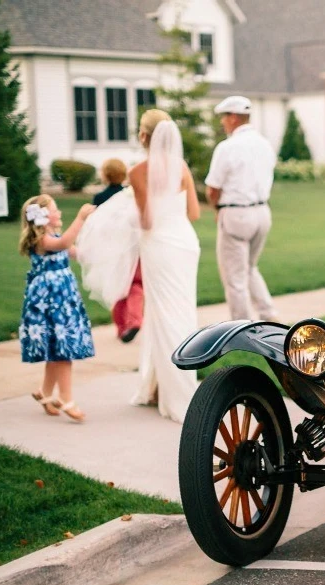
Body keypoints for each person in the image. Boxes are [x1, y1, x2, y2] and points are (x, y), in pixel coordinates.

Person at [127, 109, 202, 423]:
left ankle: (175, 394)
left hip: (159, 244)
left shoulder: (137, 172)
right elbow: (194, 212)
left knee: (161, 312)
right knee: (181, 312)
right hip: (184, 243)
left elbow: (146, 220)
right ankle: (160, 386)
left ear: (144, 136)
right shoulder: (180, 166)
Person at [18, 194, 96, 422]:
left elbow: (76, 251)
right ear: (42, 216)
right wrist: (80, 218)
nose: (59, 212)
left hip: (62, 300)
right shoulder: (42, 241)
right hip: (50, 302)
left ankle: (44, 392)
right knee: (63, 351)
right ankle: (65, 398)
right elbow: (62, 245)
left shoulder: (55, 237)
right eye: (55, 209)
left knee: (56, 350)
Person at [205, 95, 279, 322]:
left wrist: (217, 210)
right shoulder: (265, 144)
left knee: (234, 277)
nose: (223, 122)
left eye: (224, 117)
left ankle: (241, 326)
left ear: (234, 117)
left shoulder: (227, 147)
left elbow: (212, 189)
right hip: (262, 212)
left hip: (236, 213)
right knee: (249, 267)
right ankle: (268, 314)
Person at [93, 158, 143, 343]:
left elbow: (96, 226)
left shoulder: (99, 198)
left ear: (105, 175)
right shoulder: (130, 196)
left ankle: (121, 327)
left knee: (118, 287)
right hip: (133, 247)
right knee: (136, 284)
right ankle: (135, 320)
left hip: (112, 250)